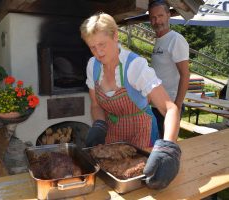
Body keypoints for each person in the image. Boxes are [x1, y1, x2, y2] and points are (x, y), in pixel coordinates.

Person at [80, 12, 181, 190]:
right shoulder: (92, 66)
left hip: (141, 131)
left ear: (115, 36)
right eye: (92, 47)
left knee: (142, 183)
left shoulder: (135, 67)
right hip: (113, 133)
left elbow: (170, 109)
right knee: (112, 182)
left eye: (102, 44)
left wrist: (169, 149)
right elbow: (96, 105)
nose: (98, 52)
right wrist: (99, 124)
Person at [149, 0, 190, 139]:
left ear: (168, 15)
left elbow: (185, 75)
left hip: (169, 104)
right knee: (157, 146)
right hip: (156, 104)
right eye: (153, 18)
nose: (157, 21)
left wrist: (177, 107)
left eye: (160, 16)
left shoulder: (175, 39)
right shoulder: (160, 40)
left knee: (166, 148)